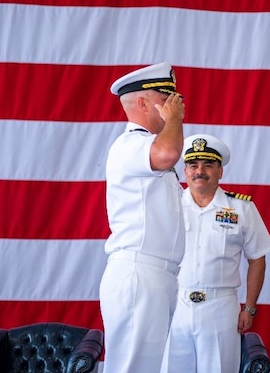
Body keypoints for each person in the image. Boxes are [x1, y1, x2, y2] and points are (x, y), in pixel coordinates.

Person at [161, 134, 270, 373]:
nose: (199, 171)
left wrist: (250, 307)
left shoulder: (241, 207)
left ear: (220, 171)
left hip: (220, 308)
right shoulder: (168, 205)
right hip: (174, 306)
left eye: (208, 164)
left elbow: (257, 258)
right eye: (193, 165)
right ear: (185, 171)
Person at [100, 62, 186, 373]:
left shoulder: (143, 146)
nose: (175, 106)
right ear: (142, 103)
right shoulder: (130, 145)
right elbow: (168, 154)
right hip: (139, 272)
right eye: (167, 99)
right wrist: (174, 120)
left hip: (158, 276)